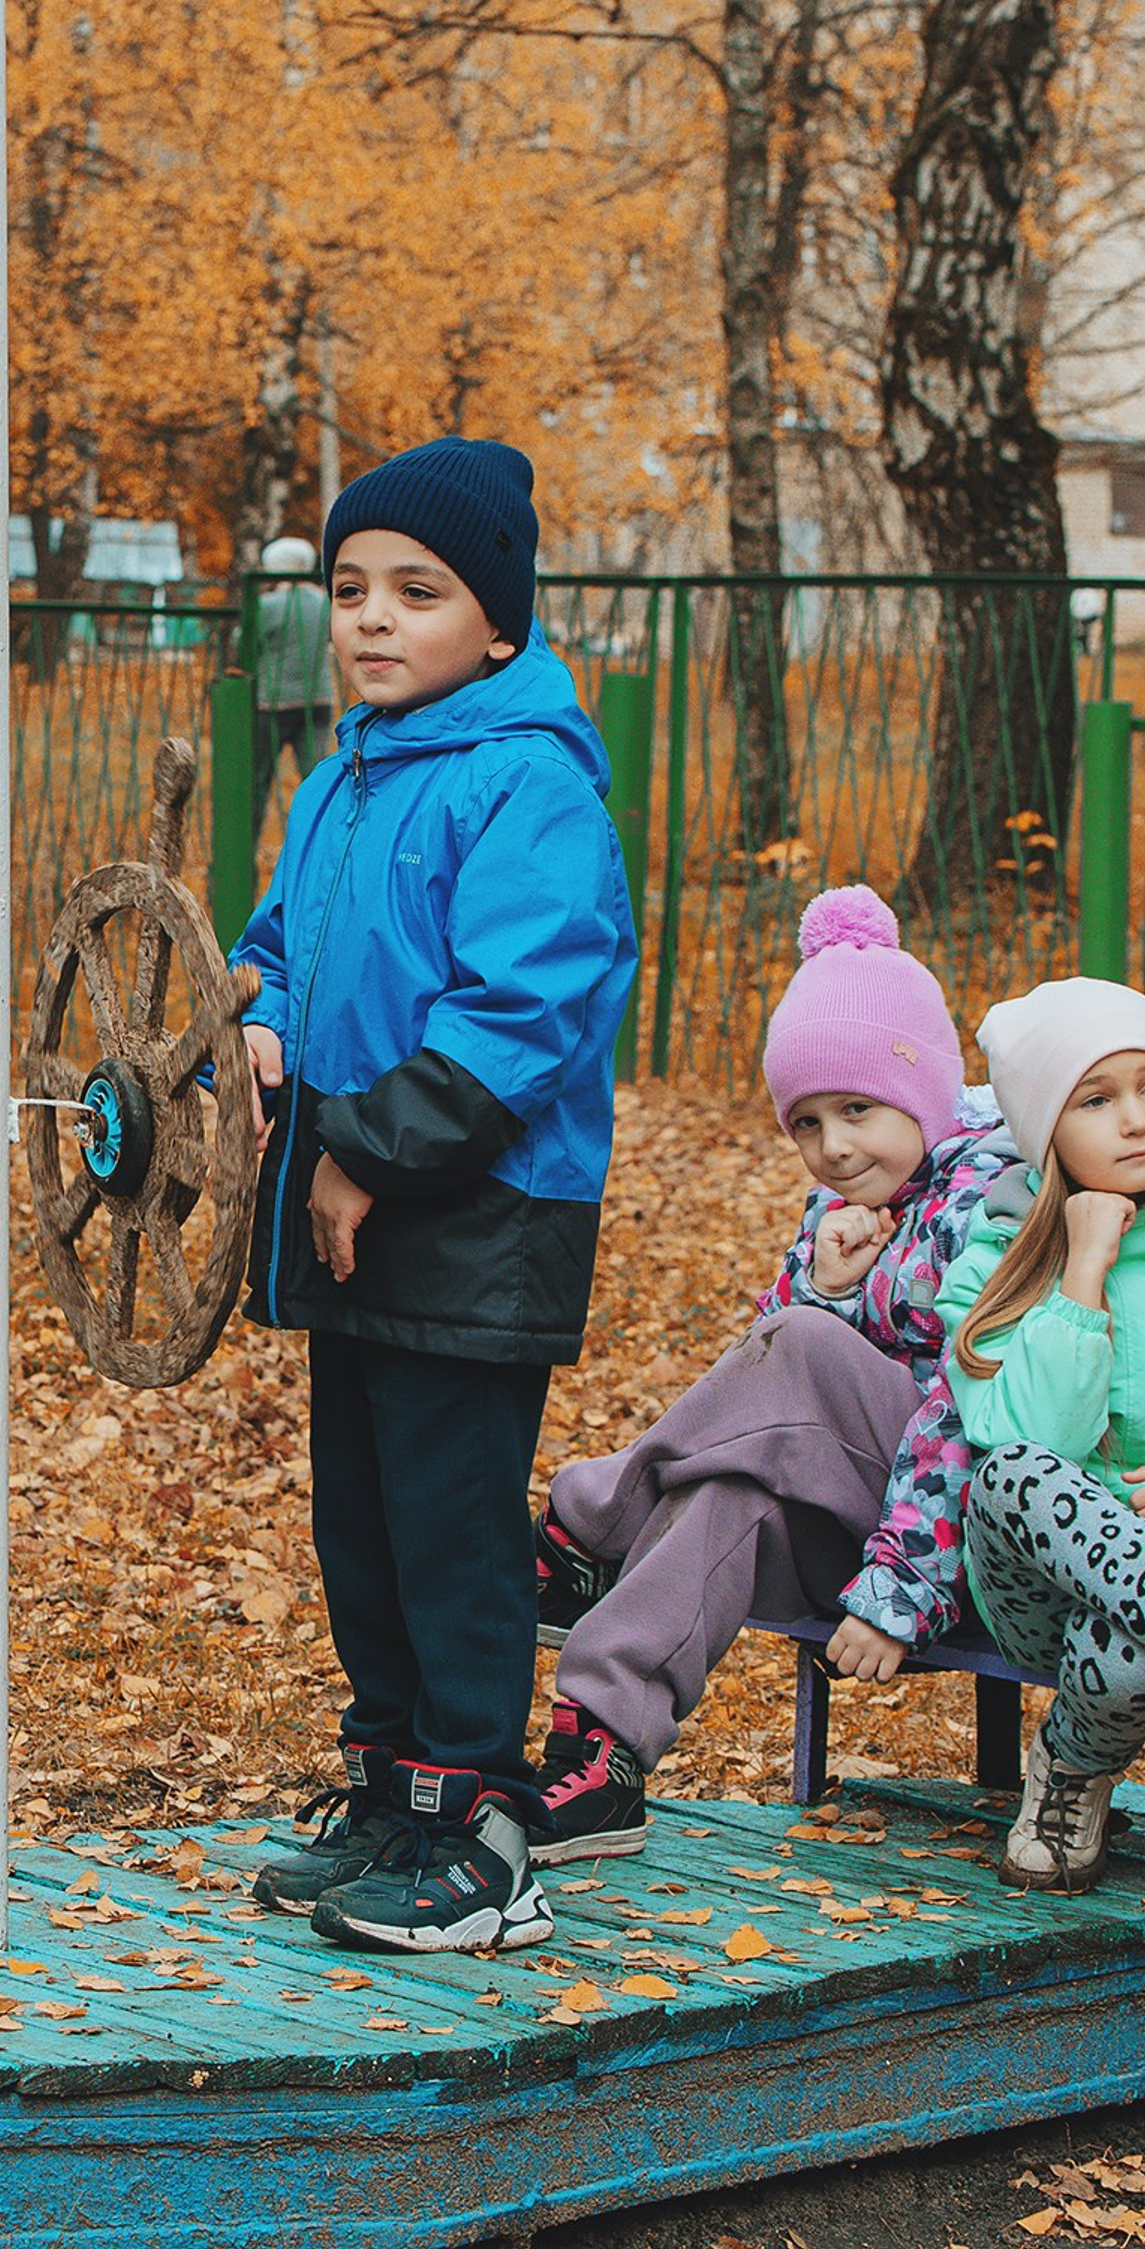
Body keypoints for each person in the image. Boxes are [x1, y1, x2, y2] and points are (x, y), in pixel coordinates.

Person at [232, 436, 637, 1954]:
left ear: (503, 625)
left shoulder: (527, 790)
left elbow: (519, 1016)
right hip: (360, 1210)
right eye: (352, 588)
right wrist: (257, 1012)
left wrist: (360, 1153)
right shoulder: (347, 782)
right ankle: (396, 1797)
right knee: (367, 1525)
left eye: (420, 588)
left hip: (474, 1216)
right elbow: (277, 940)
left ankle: (483, 1836)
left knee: (454, 1530)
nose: (376, 617)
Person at [526, 888, 1011, 1863]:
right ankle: (603, 1753)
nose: (833, 1146)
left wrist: (898, 1587)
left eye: (858, 1111)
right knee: (727, 1486)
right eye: (806, 1123)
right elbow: (760, 1407)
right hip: (868, 1521)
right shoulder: (839, 1200)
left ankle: (591, 1515)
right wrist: (829, 1285)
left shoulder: (990, 1195)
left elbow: (978, 1405)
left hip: (963, 1541)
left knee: (794, 1344)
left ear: (919, 1090)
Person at [941, 979, 1145, 1891]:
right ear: (1044, 1131)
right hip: (1035, 1587)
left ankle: (1069, 1769)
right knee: (1017, 1469)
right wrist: (1087, 1267)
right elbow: (1026, 1438)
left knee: (1129, 1643)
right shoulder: (990, 1261)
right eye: (1098, 1100)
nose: (1134, 1120)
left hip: (1125, 1606)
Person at [252, 536, 339, 807]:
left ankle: (248, 845)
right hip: (319, 699)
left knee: (257, 781)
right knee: (317, 781)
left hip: (273, 703)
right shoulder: (326, 603)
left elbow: (243, 643)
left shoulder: (268, 606)